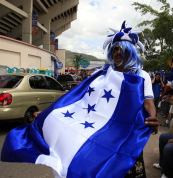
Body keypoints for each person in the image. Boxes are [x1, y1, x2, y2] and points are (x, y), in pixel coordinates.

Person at [33, 21, 159, 178]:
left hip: (128, 134)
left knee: (129, 171)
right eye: (115, 49)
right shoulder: (99, 75)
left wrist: (152, 118)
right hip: (103, 134)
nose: (118, 53)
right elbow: (77, 100)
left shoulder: (142, 75)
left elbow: (149, 103)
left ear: (131, 51)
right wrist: (48, 114)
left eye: (123, 49)